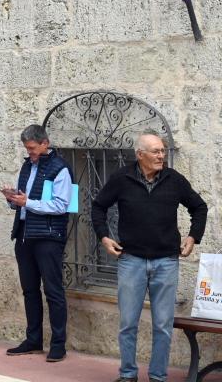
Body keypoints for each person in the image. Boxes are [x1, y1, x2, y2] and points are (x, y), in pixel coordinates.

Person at [92, 131, 207, 382]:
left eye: (162, 151)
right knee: (128, 324)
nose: (161, 156)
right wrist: (104, 236)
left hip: (166, 261)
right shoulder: (121, 178)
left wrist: (192, 237)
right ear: (140, 154)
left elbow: (199, 207)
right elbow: (98, 206)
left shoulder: (174, 179)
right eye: (155, 151)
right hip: (131, 260)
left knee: (163, 326)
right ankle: (128, 375)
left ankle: (157, 377)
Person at [2, 124, 72, 363]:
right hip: (24, 235)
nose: (29, 152)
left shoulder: (59, 168)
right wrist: (13, 199)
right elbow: (25, 201)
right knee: (30, 290)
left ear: (45, 143)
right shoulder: (26, 165)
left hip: (48, 238)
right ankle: (33, 340)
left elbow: (62, 206)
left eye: (32, 148)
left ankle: (58, 345)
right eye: (27, 148)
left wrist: (27, 203)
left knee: (53, 291)